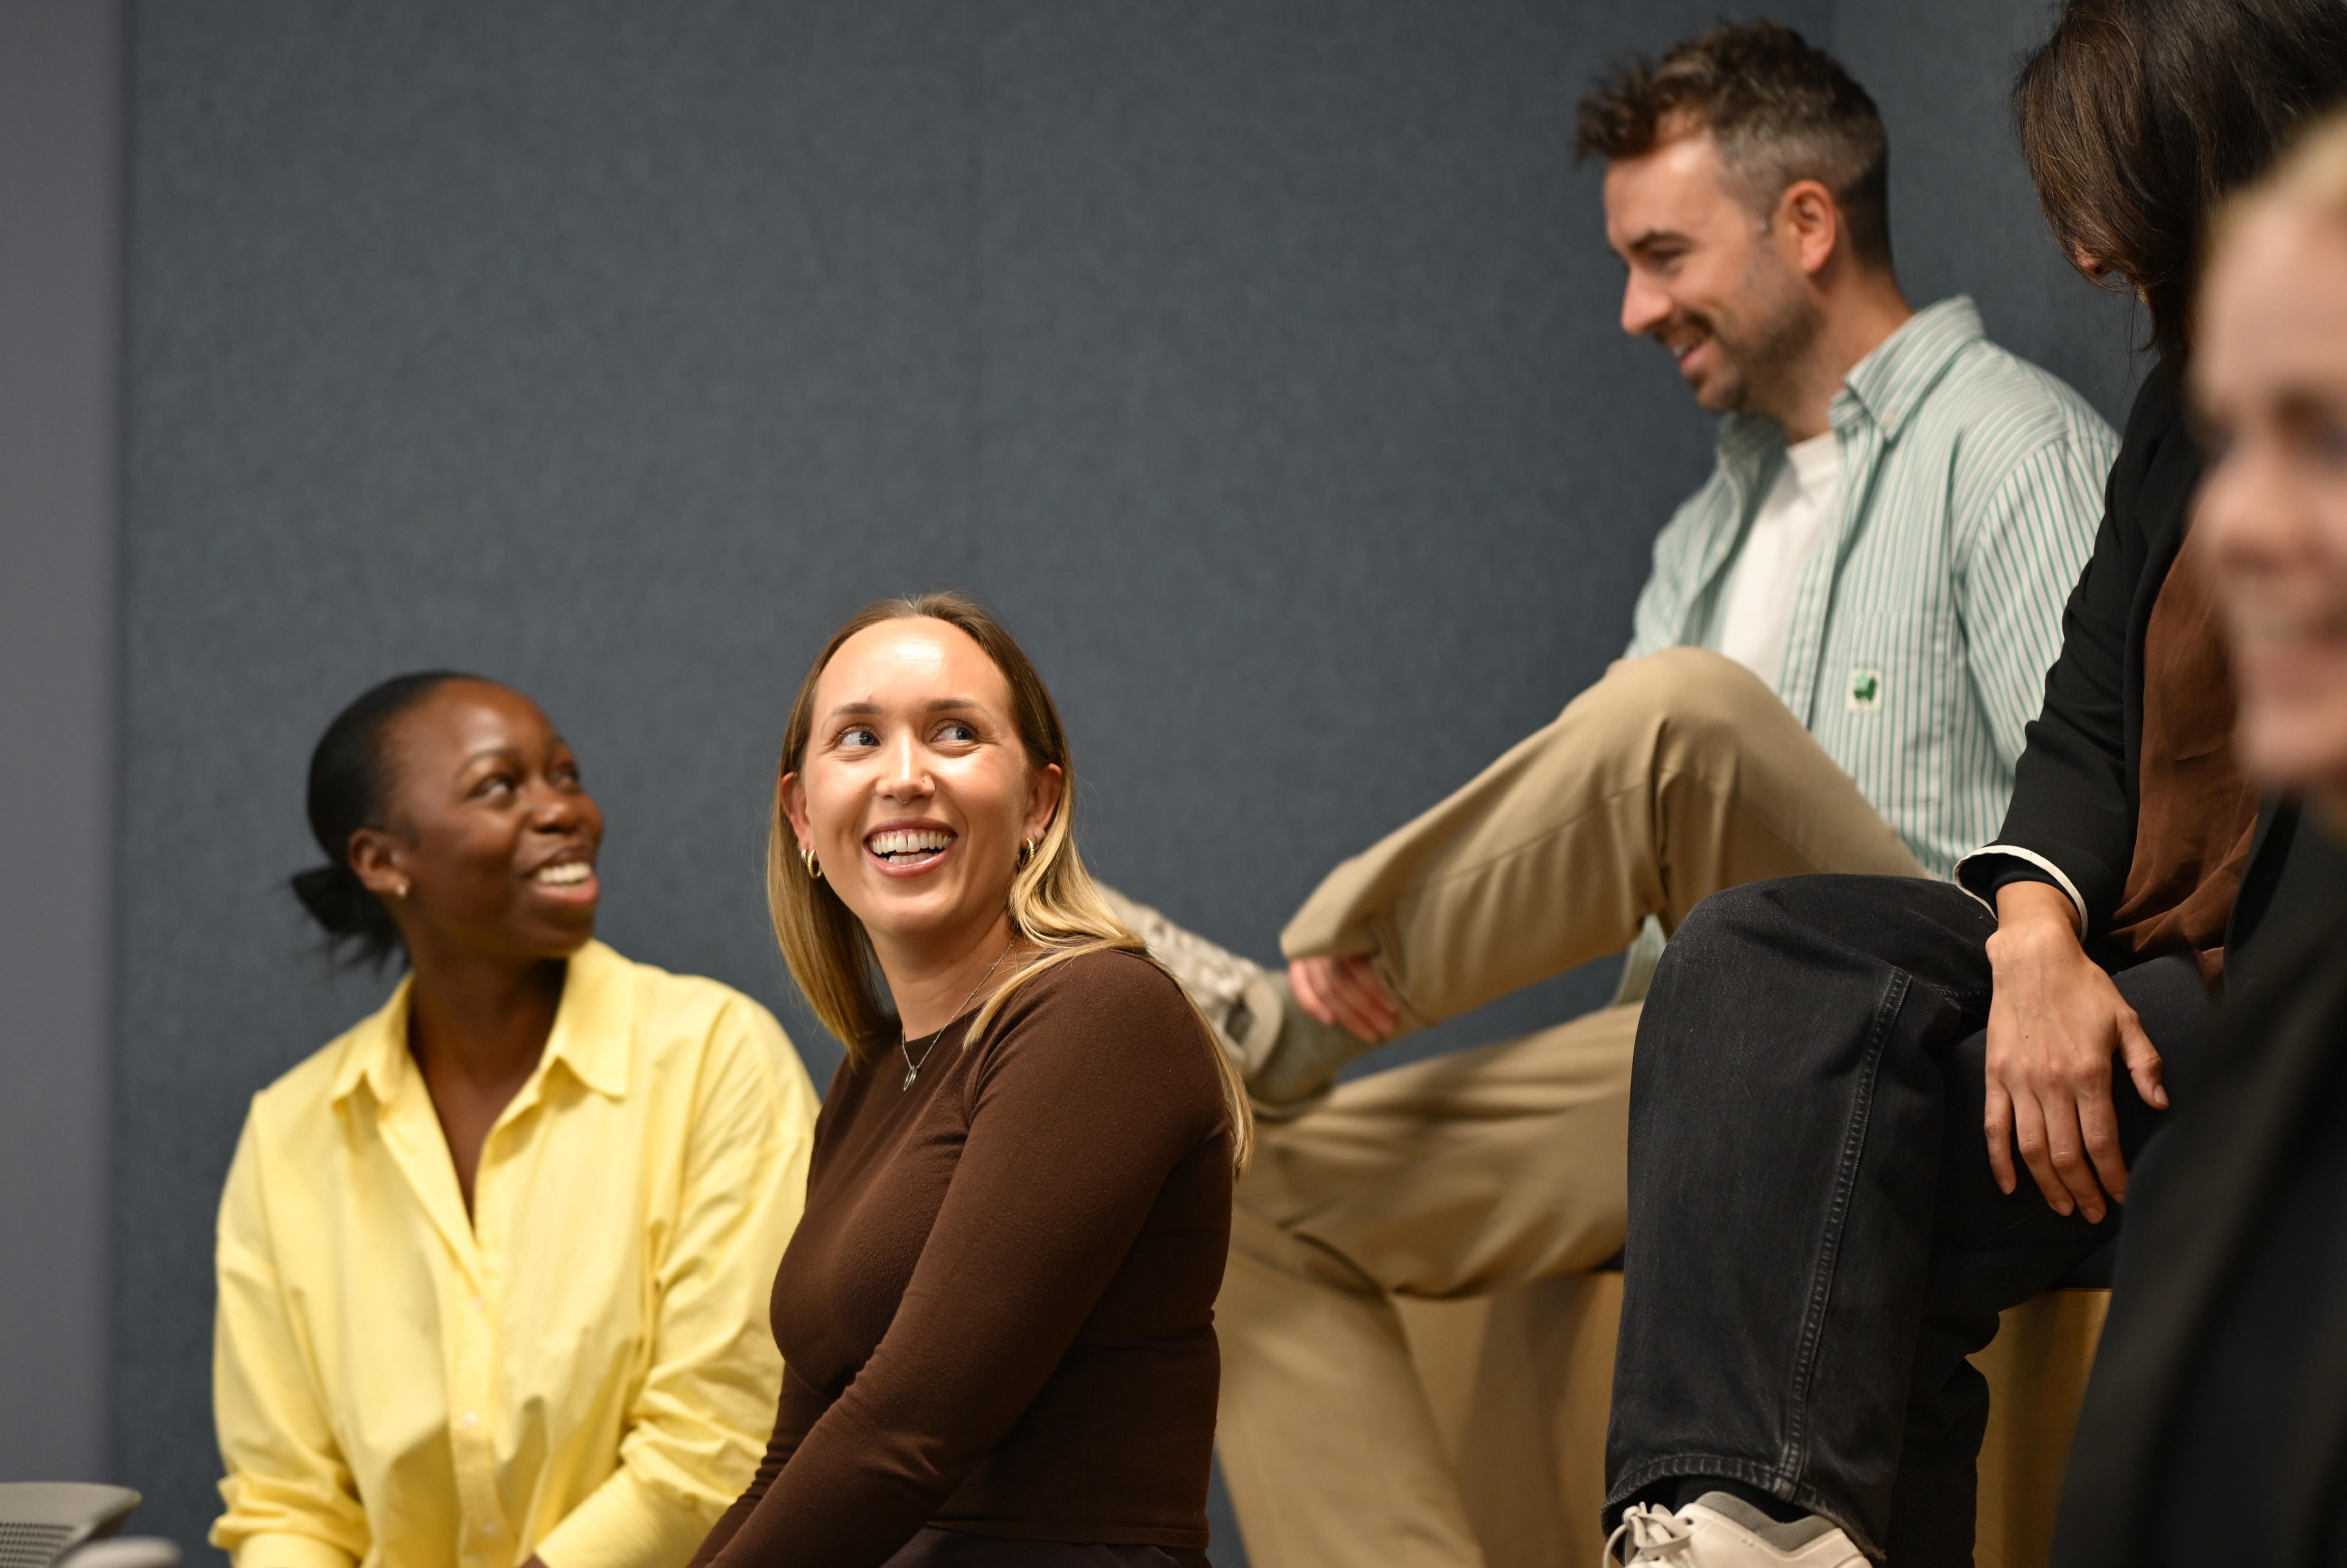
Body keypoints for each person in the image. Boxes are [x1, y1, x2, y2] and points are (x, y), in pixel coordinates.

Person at [1098, 21, 2117, 1565]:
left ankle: (1281, 1019)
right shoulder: (1706, 530)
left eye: (1659, 255)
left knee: (1677, 717)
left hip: (1919, 1025)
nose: (1633, 307)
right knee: (1230, 1202)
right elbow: (1604, 837)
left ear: (1805, 223)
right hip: (1693, 1053)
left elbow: (2101, 795)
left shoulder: (2011, 448)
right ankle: (1271, 1068)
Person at [1600, 4, 2347, 1564]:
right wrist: (2030, 933)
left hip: (2277, 967)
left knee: (1876, 1150)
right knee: (1748, 947)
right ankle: (1742, 1522)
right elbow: (2080, 719)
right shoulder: (2167, 416)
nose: (2077, 254)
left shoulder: (2049, 432)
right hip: (2120, 927)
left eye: (2094, 194)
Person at [689, 594, 1249, 1568]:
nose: (905, 777)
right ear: (803, 818)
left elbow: (909, 1428)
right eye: (857, 739)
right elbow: (791, 1462)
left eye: (955, 733)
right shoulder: (868, 1078)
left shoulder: (1100, 1015)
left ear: (1038, 802)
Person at [212, 673, 821, 1568]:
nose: (564, 810)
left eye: (565, 776)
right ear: (381, 860)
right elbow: (286, 1507)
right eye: (501, 786)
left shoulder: (714, 1056)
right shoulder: (290, 1132)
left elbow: (720, 1441)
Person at [2050, 110, 2347, 1568]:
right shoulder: (2283, 1068)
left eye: (2330, 436)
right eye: (2243, 434)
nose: (2234, 531)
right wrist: (2032, 932)